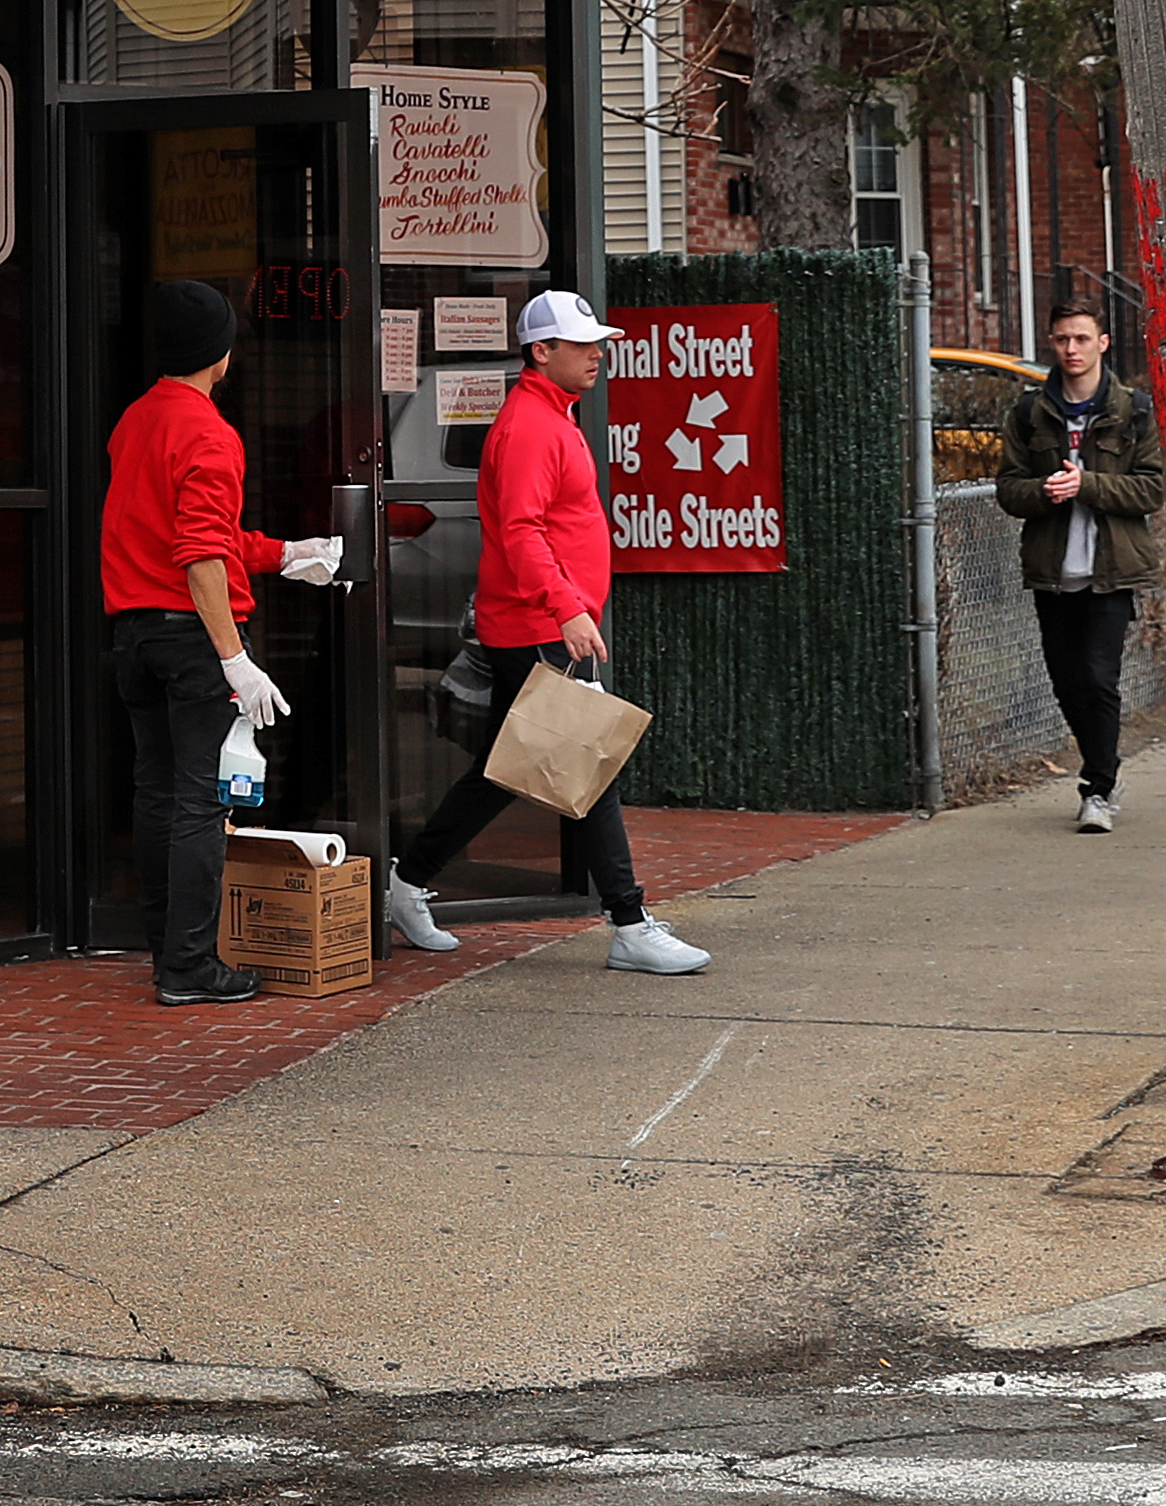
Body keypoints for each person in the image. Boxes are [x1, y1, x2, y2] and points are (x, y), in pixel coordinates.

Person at [374, 288, 716, 974]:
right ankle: (628, 922)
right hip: (537, 626)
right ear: (542, 351)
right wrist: (567, 607)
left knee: (507, 769)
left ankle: (405, 884)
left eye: (597, 342)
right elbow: (523, 531)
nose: (596, 355)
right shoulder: (533, 425)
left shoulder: (548, 416)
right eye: (582, 344)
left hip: (535, 621)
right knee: (588, 764)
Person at [99, 278, 342, 1006]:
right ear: (224, 355)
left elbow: (197, 536)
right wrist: (234, 656)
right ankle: (189, 967)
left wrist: (288, 553)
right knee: (203, 802)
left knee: (158, 795)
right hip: (191, 639)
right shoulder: (209, 432)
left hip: (134, 633)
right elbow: (201, 555)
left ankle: (167, 951)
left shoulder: (135, 420)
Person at [996, 302, 1164, 831]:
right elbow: (1007, 488)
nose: (1072, 349)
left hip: (1111, 570)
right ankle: (1100, 768)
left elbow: (1152, 488)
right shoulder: (1030, 414)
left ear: (1103, 342)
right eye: (1063, 339)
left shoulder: (1133, 410)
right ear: (1052, 343)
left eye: (1082, 339)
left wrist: (1087, 485)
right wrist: (1046, 492)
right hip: (1052, 572)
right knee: (1067, 682)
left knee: (1098, 677)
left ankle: (1099, 787)